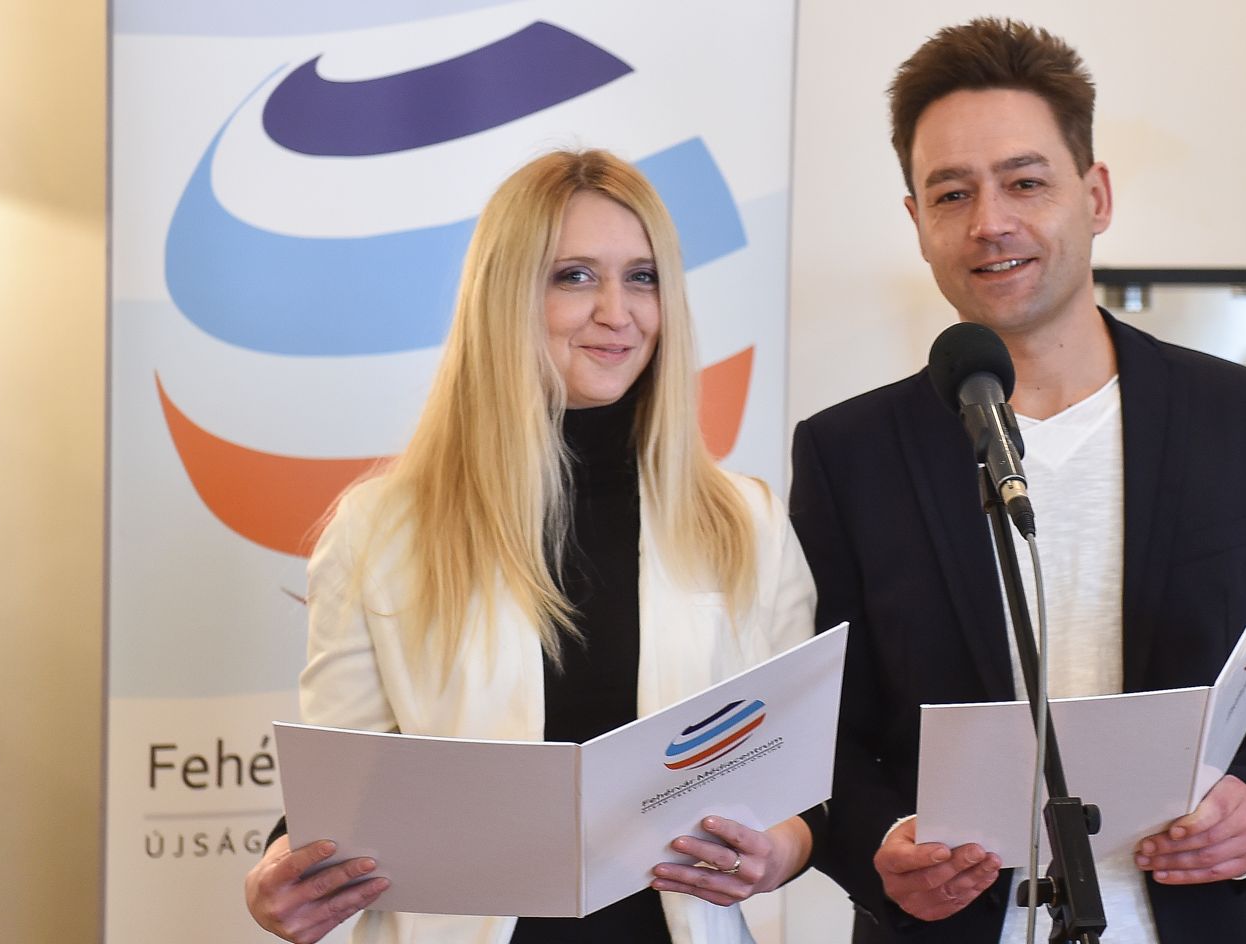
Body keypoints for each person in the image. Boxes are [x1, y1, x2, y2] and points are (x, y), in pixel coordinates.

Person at [789, 19, 1246, 944]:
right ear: (918, 223)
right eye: (953, 193)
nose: (990, 222)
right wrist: (881, 844)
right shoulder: (848, 452)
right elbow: (820, 727)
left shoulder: (1239, 418)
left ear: (1095, 197)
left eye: (1025, 182)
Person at [243, 149, 818, 944]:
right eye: (574, 276)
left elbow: (797, 785)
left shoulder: (746, 521)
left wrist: (782, 850)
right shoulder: (380, 529)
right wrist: (284, 867)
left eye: (643, 277)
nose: (617, 312)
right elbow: (348, 790)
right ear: (505, 296)